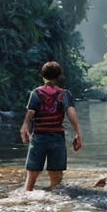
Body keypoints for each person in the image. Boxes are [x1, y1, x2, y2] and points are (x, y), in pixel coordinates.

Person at [20, 60, 82, 191]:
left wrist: (25, 126)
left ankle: (27, 200)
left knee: (32, 176)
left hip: (39, 137)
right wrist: (77, 134)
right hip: (57, 138)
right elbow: (71, 112)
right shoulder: (64, 94)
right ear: (59, 76)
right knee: (56, 177)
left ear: (43, 76)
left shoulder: (36, 93)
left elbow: (31, 111)